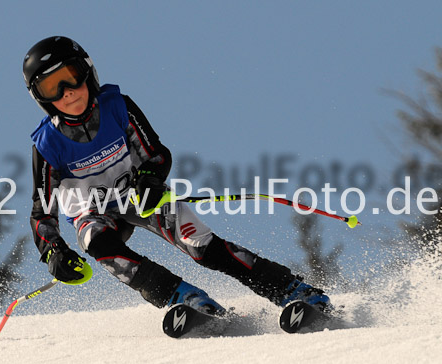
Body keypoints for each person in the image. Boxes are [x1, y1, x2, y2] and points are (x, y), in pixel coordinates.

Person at [23, 36, 331, 316]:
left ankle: (293, 290)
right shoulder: (47, 144)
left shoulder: (117, 107)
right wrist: (53, 252)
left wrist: (150, 179)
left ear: (87, 71)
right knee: (95, 241)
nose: (67, 93)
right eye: (52, 88)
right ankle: (184, 299)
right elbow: (42, 212)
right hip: (95, 213)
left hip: (139, 197)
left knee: (202, 247)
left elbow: (156, 154)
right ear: (42, 98)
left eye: (71, 78)